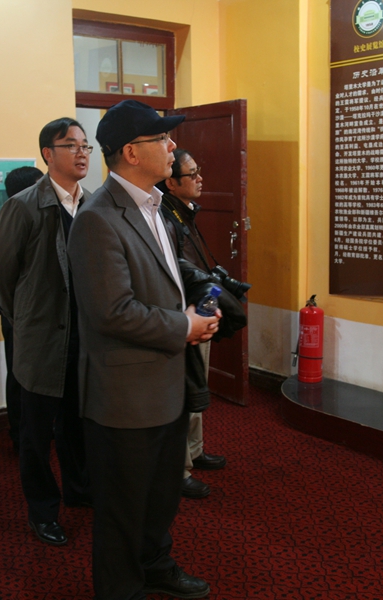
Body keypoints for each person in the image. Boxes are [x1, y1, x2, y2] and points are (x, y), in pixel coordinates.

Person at [67, 99, 219, 599]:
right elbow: (112, 312)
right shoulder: (98, 218)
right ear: (132, 152)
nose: (173, 146)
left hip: (164, 384)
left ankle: (156, 565)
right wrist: (184, 326)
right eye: (162, 139)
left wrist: (195, 306)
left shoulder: (154, 206)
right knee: (123, 512)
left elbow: (163, 282)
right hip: (124, 397)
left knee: (159, 498)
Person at [0, 119, 93, 546]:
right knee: (36, 434)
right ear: (48, 154)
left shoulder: (93, 204)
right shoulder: (24, 206)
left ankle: (79, 490)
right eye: (71, 145)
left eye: (85, 145)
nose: (82, 153)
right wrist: (26, 323)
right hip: (40, 342)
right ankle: (43, 511)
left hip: (84, 339)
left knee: (77, 424)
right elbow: (1, 277)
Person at [156, 149, 228, 500]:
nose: (200, 179)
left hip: (201, 309)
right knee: (186, 391)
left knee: (199, 384)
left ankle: (195, 452)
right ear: (171, 182)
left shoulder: (185, 211)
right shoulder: (164, 216)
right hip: (184, 316)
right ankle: (180, 467)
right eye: (192, 173)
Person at [0, 166, 44, 453]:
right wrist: (14, 312)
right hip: (18, 313)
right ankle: (19, 434)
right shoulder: (13, 218)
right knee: (19, 375)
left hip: (37, 313)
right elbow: (1, 275)